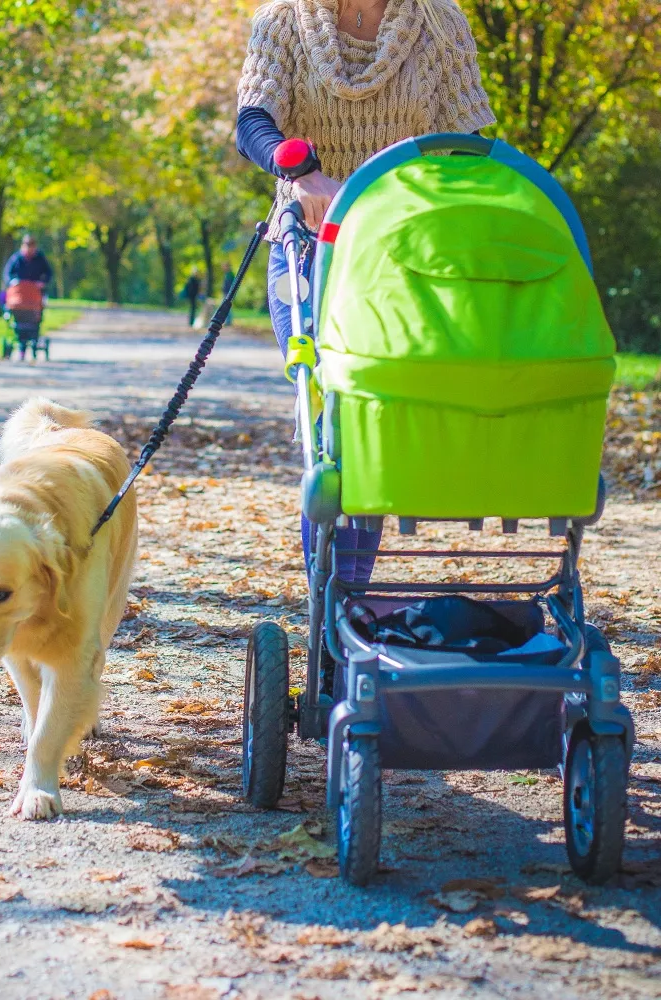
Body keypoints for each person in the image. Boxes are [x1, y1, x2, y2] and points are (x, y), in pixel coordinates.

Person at [236, 0, 495, 585]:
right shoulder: (282, 21)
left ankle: (345, 588)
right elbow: (253, 122)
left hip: (400, 246)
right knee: (330, 409)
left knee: (369, 409)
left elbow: (468, 142)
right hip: (306, 242)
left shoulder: (440, 22)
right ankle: (333, 596)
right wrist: (298, 171)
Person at [3, 235, 53, 361]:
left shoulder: (40, 258)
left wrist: (42, 282)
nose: (29, 250)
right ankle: (21, 348)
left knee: (35, 320)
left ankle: (33, 345)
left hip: (35, 296)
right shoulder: (16, 258)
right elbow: (7, 274)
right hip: (19, 296)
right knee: (18, 321)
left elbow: (48, 273)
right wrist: (13, 282)